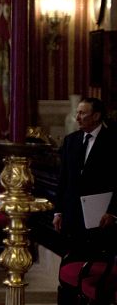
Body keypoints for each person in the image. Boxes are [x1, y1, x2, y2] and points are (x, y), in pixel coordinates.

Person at [52, 96, 117, 252]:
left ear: (96, 116)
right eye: (77, 113)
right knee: (71, 262)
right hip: (71, 216)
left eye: (82, 113)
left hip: (100, 218)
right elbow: (63, 179)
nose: (77, 118)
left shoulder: (113, 141)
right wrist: (58, 211)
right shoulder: (70, 141)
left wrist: (113, 213)